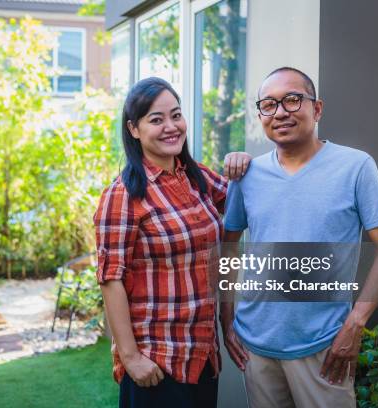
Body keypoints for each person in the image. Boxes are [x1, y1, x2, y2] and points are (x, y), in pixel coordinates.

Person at [220, 67, 378, 407]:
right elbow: (229, 245)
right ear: (260, 115)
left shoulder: (356, 167)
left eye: (292, 100)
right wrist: (226, 316)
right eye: (269, 105)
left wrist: (355, 324)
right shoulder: (247, 175)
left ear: (316, 109)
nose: (281, 112)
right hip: (256, 347)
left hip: (324, 346)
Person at [94, 76, 251, 408]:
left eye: (176, 115)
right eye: (156, 119)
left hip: (203, 354)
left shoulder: (197, 178)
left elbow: (247, 202)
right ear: (134, 129)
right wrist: (131, 357)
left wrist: (245, 163)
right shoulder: (123, 194)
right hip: (157, 359)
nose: (171, 126)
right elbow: (111, 279)